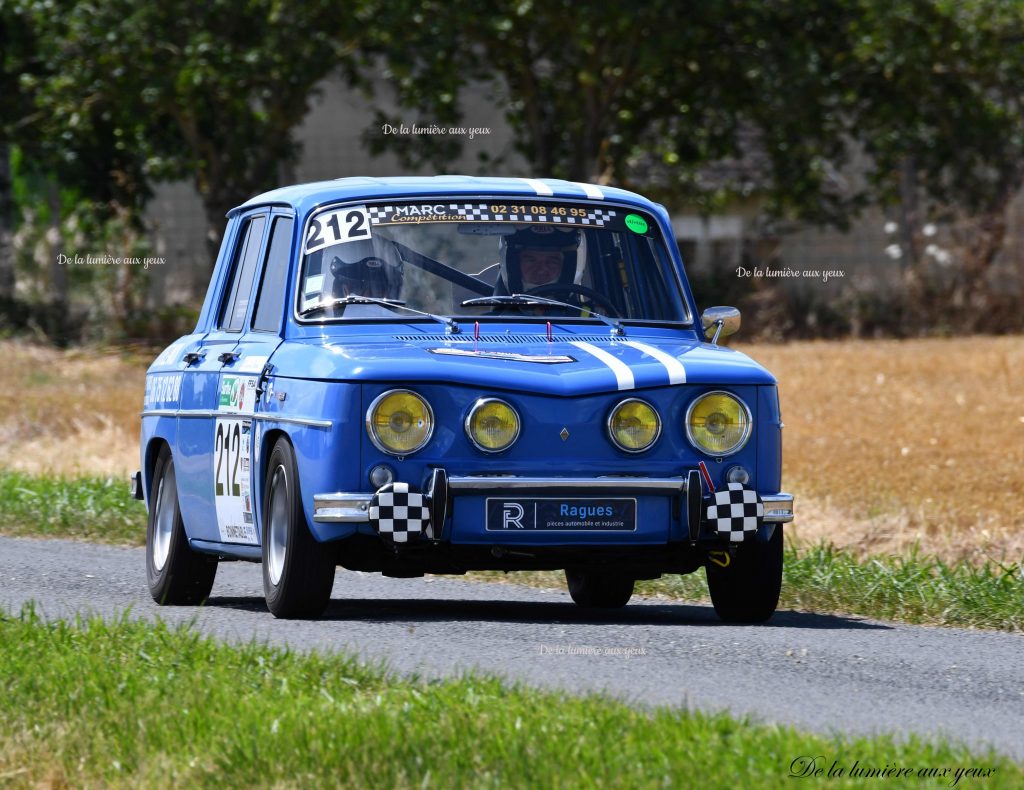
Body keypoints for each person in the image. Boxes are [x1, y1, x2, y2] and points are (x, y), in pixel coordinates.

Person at [496, 226, 581, 294]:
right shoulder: (492, 316)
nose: (541, 270)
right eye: (531, 261)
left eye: (552, 262)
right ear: (514, 265)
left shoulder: (588, 315)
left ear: (567, 266)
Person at [327, 238, 404, 301]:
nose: (367, 297)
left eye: (377, 288)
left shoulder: (412, 316)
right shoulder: (322, 317)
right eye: (359, 287)